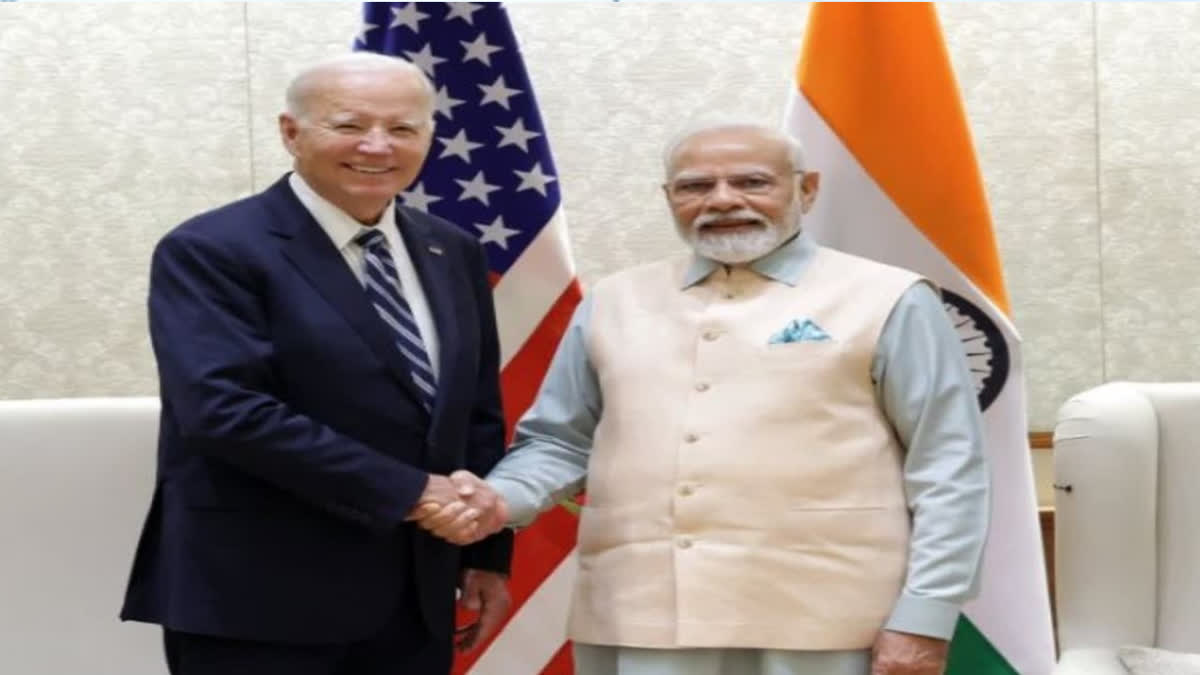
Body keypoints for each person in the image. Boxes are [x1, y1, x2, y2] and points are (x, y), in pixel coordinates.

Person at [415, 121, 990, 675]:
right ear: (669, 197)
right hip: (643, 620)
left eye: (752, 182)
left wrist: (926, 616)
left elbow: (948, 466)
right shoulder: (614, 300)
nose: (722, 200)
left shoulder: (889, 298)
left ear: (806, 190)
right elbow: (559, 442)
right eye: (694, 186)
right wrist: (496, 499)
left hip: (828, 623)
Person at [120, 52, 513, 675]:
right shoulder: (212, 249)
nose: (378, 147)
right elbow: (224, 412)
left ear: (429, 138)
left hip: (415, 598)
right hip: (258, 598)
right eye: (350, 125)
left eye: (404, 129)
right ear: (290, 132)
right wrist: (413, 492)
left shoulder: (450, 249)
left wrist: (487, 553)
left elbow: (476, 410)